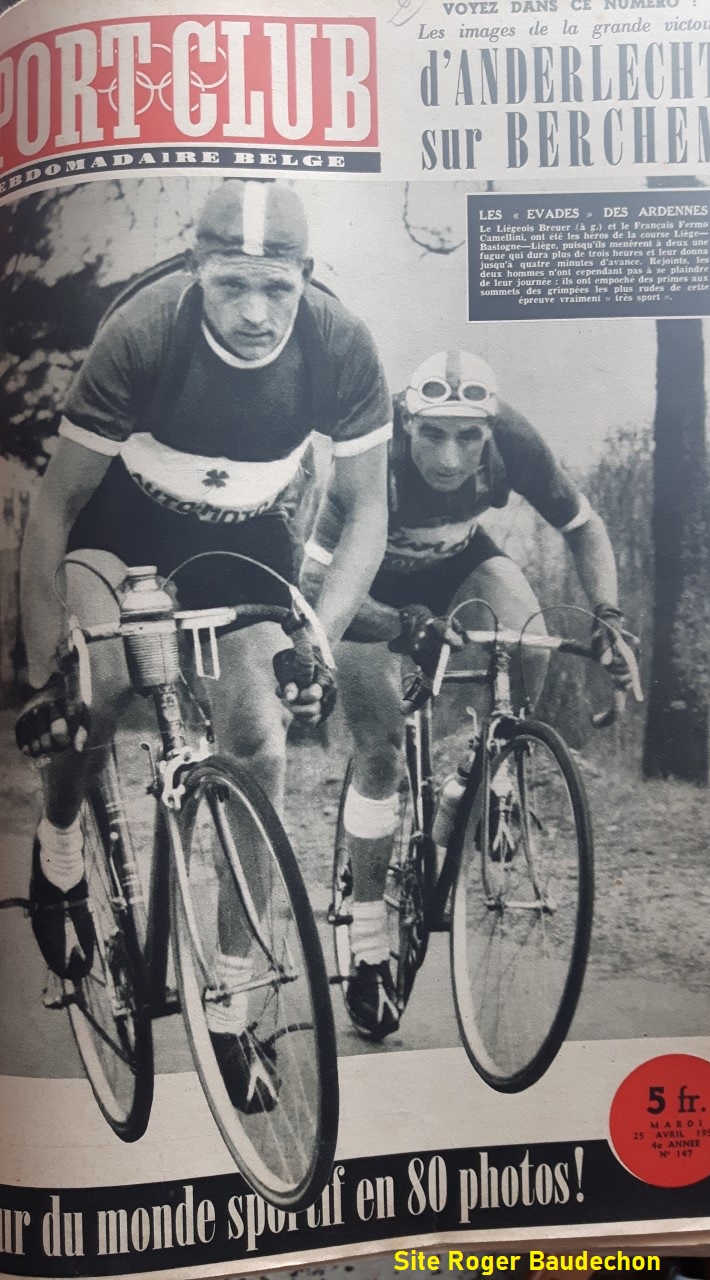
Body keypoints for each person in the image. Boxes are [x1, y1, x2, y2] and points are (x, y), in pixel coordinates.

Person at [15, 178, 391, 1109]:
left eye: (277, 288)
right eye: (231, 286)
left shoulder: (340, 343)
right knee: (98, 691)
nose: (256, 313)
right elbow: (55, 506)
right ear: (196, 270)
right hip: (123, 522)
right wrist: (42, 674)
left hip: (244, 536)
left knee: (260, 743)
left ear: (306, 275)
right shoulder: (145, 330)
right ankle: (59, 845)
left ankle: (231, 1004)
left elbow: (366, 512)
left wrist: (317, 635)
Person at [302, 348, 637, 1041]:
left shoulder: (514, 440)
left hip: (458, 559)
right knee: (380, 753)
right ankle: (368, 945)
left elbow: (583, 527)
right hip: (364, 589)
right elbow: (314, 590)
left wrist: (608, 616)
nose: (449, 458)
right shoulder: (367, 455)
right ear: (406, 420)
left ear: (490, 428)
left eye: (467, 436)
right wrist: (400, 626)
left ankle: (482, 779)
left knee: (530, 637)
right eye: (432, 434)